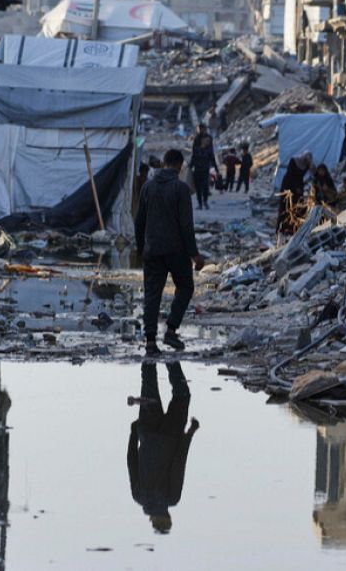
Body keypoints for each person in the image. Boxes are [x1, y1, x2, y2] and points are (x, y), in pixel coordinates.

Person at [135, 149, 206, 354]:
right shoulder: (181, 189)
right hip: (177, 251)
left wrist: (141, 249)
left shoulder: (147, 187)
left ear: (164, 163)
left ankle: (150, 341)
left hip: (153, 250)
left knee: (152, 294)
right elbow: (186, 225)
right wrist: (194, 254)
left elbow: (139, 222)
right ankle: (171, 330)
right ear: (179, 166)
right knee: (185, 287)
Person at [129, 361, 198, 533]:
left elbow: (178, 463)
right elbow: (131, 461)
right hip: (147, 432)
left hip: (170, 434)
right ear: (152, 520)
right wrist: (134, 433)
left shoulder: (172, 498)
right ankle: (150, 348)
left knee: (182, 395)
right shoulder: (138, 497)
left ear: (168, 517)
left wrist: (190, 432)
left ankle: (172, 360)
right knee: (148, 386)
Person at [276, 152, 313, 234]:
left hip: (299, 187)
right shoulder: (294, 161)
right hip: (288, 186)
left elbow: (306, 175)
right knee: (285, 207)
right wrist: (295, 188)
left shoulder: (306, 165)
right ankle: (282, 229)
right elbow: (290, 176)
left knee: (298, 206)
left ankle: (294, 227)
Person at [189, 132, 217, 210]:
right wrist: (189, 168)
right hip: (197, 171)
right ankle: (200, 204)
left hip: (205, 171)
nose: (208, 142)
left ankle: (205, 202)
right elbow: (193, 159)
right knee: (198, 188)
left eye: (209, 141)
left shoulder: (209, 151)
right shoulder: (196, 149)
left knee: (205, 187)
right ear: (202, 140)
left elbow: (213, 160)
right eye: (207, 140)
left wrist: (217, 170)